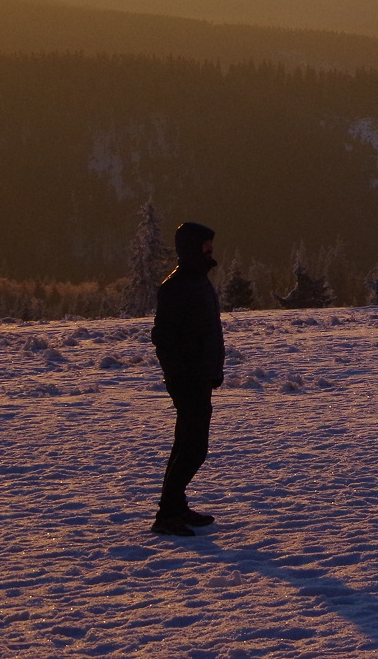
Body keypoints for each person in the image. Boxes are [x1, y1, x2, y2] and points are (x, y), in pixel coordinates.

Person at [150, 221, 225, 537]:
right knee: (194, 448)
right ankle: (167, 514)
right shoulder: (177, 285)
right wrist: (179, 375)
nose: (210, 250)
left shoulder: (197, 281)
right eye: (205, 245)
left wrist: (213, 371)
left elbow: (207, 333)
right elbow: (162, 336)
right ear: (193, 248)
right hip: (188, 380)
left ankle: (175, 507)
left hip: (199, 377)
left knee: (185, 444)